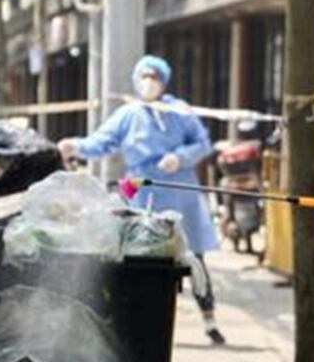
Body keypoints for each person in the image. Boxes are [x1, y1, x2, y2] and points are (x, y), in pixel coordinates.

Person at [59, 55, 226, 345]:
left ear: (164, 80)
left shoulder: (180, 111)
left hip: (179, 188)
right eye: (144, 76)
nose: (149, 82)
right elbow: (102, 142)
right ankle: (136, 319)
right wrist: (76, 146)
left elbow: (203, 143)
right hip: (139, 187)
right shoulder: (129, 114)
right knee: (137, 253)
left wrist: (181, 157)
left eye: (155, 77)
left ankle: (210, 319)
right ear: (137, 79)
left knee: (194, 255)